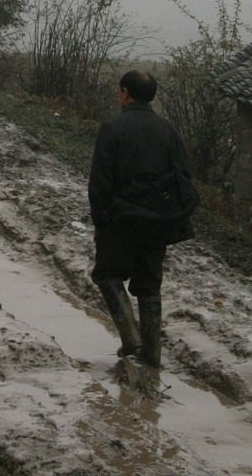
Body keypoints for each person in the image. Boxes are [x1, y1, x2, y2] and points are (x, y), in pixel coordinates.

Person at [88, 70, 197, 368]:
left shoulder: (112, 128)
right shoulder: (167, 130)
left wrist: (101, 219)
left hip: (121, 220)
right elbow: (183, 175)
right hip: (159, 222)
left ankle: (131, 341)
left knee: (108, 275)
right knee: (149, 285)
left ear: (125, 93)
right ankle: (152, 355)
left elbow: (100, 181)